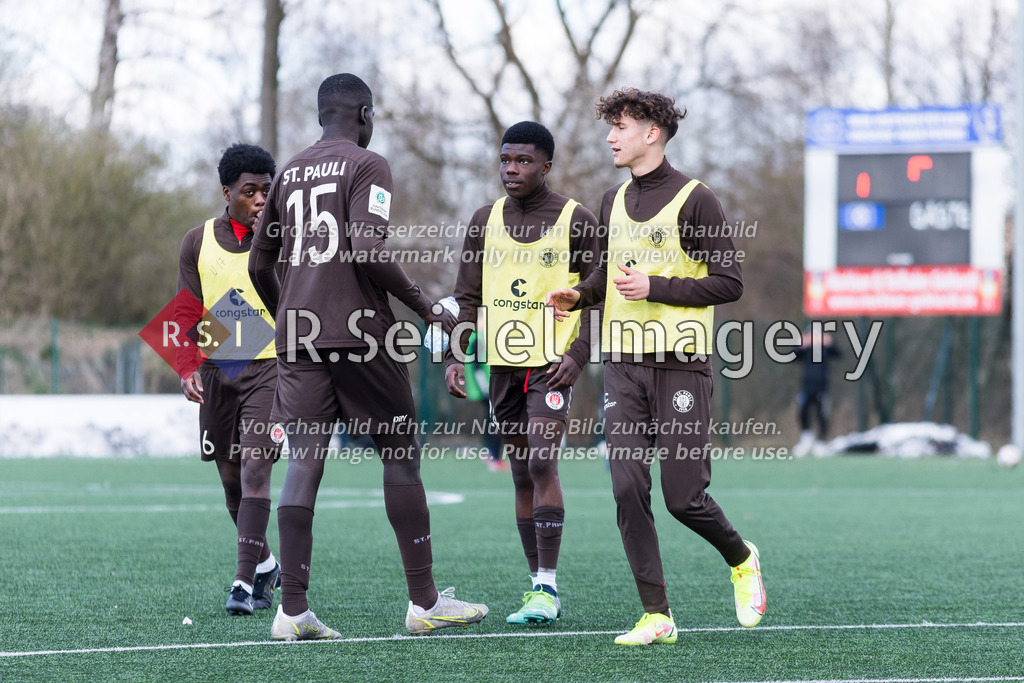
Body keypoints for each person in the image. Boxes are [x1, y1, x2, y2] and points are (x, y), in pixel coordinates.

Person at [249, 72, 488, 640]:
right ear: (365, 114)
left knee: (304, 461)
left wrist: (291, 312)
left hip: (298, 338)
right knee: (400, 455)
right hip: (361, 334)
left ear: (320, 115)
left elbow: (260, 263)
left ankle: (292, 611)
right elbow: (366, 248)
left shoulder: (289, 171)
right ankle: (424, 602)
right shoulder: (368, 163)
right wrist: (426, 308)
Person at [545, 88, 766, 645]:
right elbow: (607, 274)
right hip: (622, 366)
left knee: (683, 499)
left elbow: (730, 282)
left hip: (682, 367)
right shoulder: (611, 200)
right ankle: (656, 614)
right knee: (626, 489)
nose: (610, 137)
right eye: (610, 127)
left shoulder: (697, 199)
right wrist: (579, 293)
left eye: (619, 127)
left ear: (652, 133)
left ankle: (742, 559)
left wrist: (656, 286)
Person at [445, 121, 601, 626]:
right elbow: (466, 298)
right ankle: (537, 584)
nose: (511, 169)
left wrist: (579, 354)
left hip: (552, 365)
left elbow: (600, 297)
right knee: (519, 471)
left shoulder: (576, 220)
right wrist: (455, 356)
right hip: (501, 366)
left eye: (524, 161)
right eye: (505, 160)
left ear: (546, 166)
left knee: (541, 462)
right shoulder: (483, 220)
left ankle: (547, 586)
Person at [176, 142, 282, 616]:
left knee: (257, 469)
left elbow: (296, 302)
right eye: (249, 191)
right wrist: (187, 367)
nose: (260, 200)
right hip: (220, 365)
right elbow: (187, 310)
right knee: (231, 483)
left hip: (272, 366)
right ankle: (267, 566)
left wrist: (270, 246)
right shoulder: (196, 241)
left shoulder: (284, 241)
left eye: (266, 191)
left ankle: (242, 583)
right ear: (227, 193)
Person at [793, 324, 841, 457]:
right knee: (802, 411)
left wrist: (830, 343)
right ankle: (806, 439)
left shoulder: (825, 349)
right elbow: (793, 357)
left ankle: (821, 442)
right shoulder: (806, 350)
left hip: (822, 386)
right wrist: (800, 345)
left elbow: (838, 354)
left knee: (822, 414)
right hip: (806, 386)